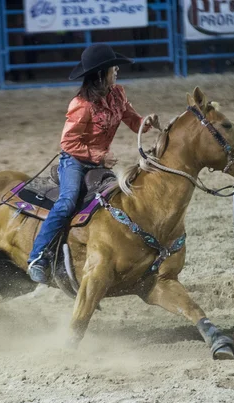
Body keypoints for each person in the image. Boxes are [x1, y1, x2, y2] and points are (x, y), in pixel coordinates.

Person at [27, 43, 157, 283]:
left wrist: (146, 123)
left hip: (99, 164)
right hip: (75, 162)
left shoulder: (118, 94)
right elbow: (68, 143)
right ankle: (38, 257)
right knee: (67, 202)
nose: (116, 69)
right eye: (112, 67)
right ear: (101, 74)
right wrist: (99, 157)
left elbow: (132, 119)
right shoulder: (81, 105)